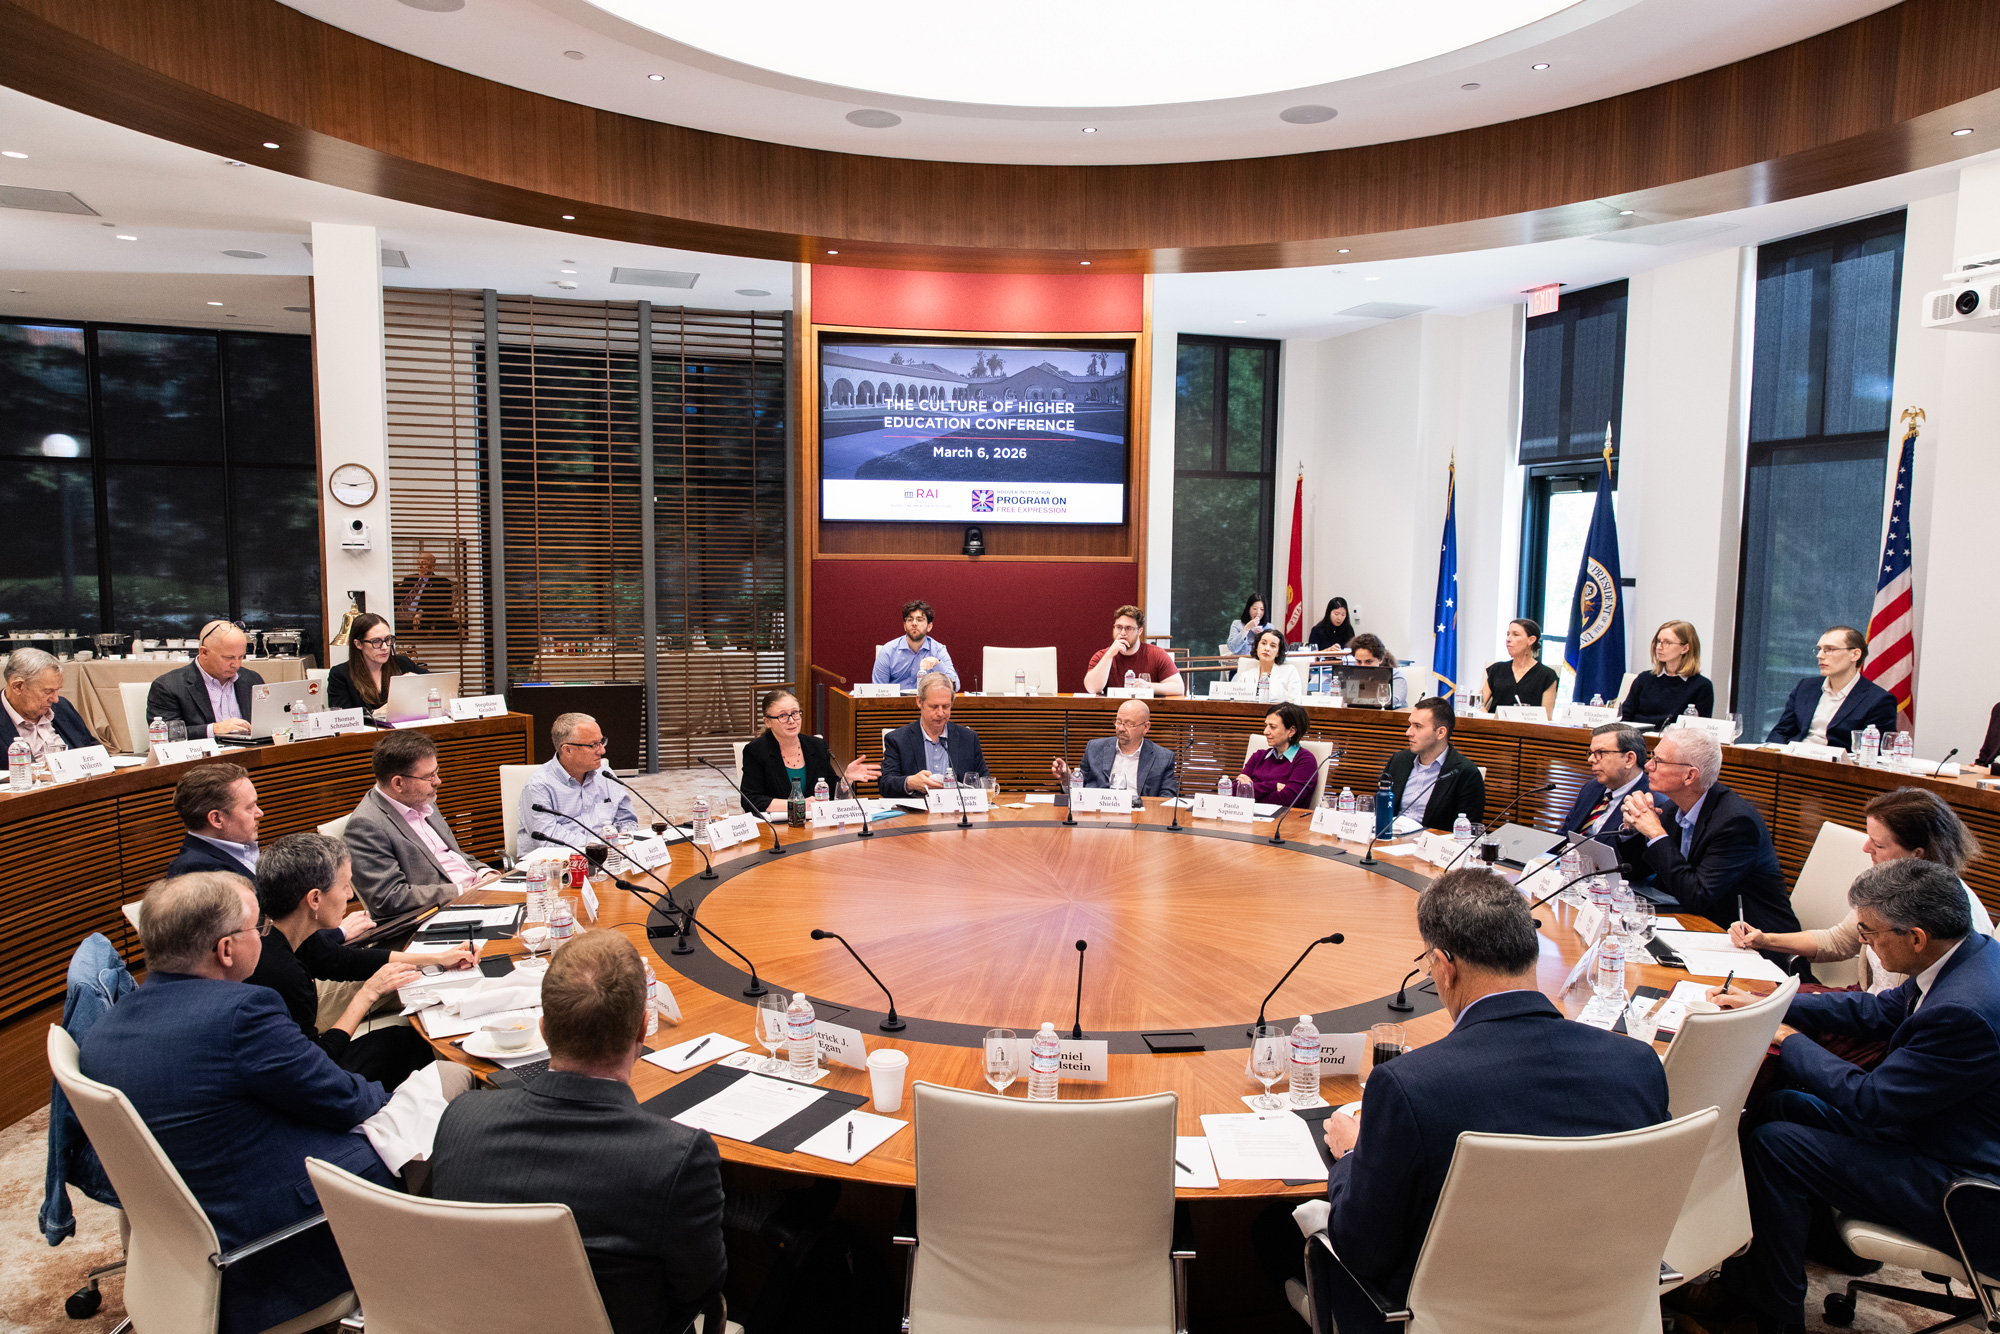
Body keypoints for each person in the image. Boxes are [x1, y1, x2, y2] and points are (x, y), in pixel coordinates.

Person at [1311, 868, 1669, 1334]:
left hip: (1437, 1319)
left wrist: (1355, 1154)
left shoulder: (1410, 1086)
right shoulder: (1637, 1065)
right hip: (1601, 1309)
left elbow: (1362, 1248)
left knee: (1274, 1237)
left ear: (1443, 965)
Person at [1676, 859, 2000, 1334]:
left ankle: (1769, 1317)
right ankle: (1797, 1260)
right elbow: (1874, 1010)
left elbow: (1871, 1100)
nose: (1863, 944)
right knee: (1783, 1104)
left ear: (1915, 937)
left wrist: (1787, 1038)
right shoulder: (1965, 956)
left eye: (1869, 934)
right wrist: (1772, 1003)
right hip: (1938, 1136)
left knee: (1777, 1145)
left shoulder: (1964, 1010)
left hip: (1968, 1189)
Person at [78, 871, 399, 1334]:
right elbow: (349, 1102)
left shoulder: (105, 1025)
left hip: (182, 1233)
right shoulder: (243, 1012)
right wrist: (392, 1097)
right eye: (258, 930)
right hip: (266, 1247)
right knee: (432, 1118)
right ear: (226, 950)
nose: (264, 939)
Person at [431, 930, 728, 1334]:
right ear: (642, 1029)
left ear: (544, 1029)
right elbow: (700, 1290)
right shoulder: (676, 1158)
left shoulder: (461, 1118)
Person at [251, 833, 468, 1088]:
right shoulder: (280, 971)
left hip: (300, 1063)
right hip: (307, 1083)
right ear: (315, 899)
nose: (350, 896)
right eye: (344, 886)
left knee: (404, 1038)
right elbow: (315, 1062)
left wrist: (437, 958)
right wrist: (368, 993)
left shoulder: (284, 926)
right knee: (408, 1045)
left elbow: (345, 961)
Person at [1730, 788, 1991, 994]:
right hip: (1871, 1003)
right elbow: (1839, 941)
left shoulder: (1954, 915)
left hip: (1889, 1023)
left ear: (1917, 855)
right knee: (1757, 1001)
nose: (1866, 848)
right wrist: (1765, 940)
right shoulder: (1889, 887)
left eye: (1877, 843)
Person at [1620, 727, 1799, 935]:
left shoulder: (1736, 823)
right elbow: (1636, 873)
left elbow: (1697, 897)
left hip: (1754, 945)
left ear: (1689, 776)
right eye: (1652, 757)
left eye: (1658, 761)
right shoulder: (1673, 808)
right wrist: (1632, 829)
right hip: (1697, 929)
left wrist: (1656, 833)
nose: (1648, 765)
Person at [344, 730, 499, 917]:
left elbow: (451, 855)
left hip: (475, 894)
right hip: (437, 915)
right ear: (398, 784)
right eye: (429, 777)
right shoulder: (366, 825)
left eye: (436, 772)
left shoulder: (422, 799)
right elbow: (387, 897)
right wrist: (461, 893)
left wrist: (484, 873)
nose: (438, 781)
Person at [518, 712, 640, 859]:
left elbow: (627, 819)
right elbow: (548, 841)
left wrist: (625, 838)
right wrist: (601, 846)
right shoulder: (538, 786)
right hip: (554, 869)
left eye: (601, 742)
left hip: (609, 860)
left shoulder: (605, 774)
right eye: (593, 745)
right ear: (567, 750)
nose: (602, 750)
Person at [740, 689, 879, 814]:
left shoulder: (816, 746)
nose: (791, 721)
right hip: (778, 828)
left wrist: (846, 779)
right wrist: (796, 805)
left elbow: (830, 792)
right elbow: (750, 800)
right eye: (783, 716)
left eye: (795, 713)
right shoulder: (756, 750)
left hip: (816, 823)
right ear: (768, 722)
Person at [1765, 625, 1899, 750]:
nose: (1820, 656)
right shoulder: (1805, 687)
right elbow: (1781, 731)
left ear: (1855, 654)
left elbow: (1872, 753)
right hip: (1794, 762)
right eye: (1819, 649)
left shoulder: (1879, 700)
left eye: (1829, 649)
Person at [143, 619, 266, 738]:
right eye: (228, 658)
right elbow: (167, 732)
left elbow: (266, 723)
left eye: (241, 657)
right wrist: (213, 729)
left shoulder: (252, 679)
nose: (236, 664)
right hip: (202, 755)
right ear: (204, 653)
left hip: (250, 753)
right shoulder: (168, 686)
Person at [1382, 698, 1486, 831]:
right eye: (1410, 725)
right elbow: (1381, 808)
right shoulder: (1398, 761)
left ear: (1441, 732)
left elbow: (1467, 833)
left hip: (1431, 846)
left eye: (1418, 726)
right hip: (1389, 841)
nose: (1408, 732)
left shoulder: (1465, 773)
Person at [880, 671, 989, 796]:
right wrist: (910, 783)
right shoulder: (897, 740)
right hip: (916, 813)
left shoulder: (968, 738)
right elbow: (885, 783)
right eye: (934, 706)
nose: (941, 713)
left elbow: (983, 781)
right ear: (919, 702)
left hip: (957, 812)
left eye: (946, 706)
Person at [1052, 698, 1180, 798]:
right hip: (1098, 815)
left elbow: (1167, 799)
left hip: (1138, 817)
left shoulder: (1163, 757)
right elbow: (1078, 792)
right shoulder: (1094, 748)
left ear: (1145, 727)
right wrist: (1067, 779)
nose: (1121, 729)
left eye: (1129, 724)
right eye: (1118, 722)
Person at [164, 762, 264, 879]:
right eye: (250, 807)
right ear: (217, 819)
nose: (260, 813)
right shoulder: (199, 874)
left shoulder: (241, 848)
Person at [1619, 619, 1716, 728]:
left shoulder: (1701, 686)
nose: (1659, 647)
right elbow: (1624, 716)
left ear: (1685, 648)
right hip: (1635, 739)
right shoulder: (1644, 679)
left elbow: (1698, 731)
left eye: (1667, 642)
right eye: (1658, 641)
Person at [0, 648, 96, 758]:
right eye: (48, 691)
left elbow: (92, 749)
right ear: (18, 686)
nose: (55, 699)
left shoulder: (62, 707)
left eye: (57, 690)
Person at [1562, 723, 1650, 842]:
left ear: (1629, 759)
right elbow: (1563, 836)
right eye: (1591, 753)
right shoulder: (1591, 788)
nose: (1590, 759)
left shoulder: (1650, 800)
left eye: (1600, 753)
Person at [326, 612, 428, 714]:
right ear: (358, 644)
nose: (385, 647)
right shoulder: (340, 675)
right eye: (376, 641)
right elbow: (341, 717)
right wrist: (374, 714)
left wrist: (418, 680)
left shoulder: (402, 663)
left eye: (388, 639)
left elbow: (436, 685)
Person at [1082, 605, 1185, 696]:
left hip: (1146, 712)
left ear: (1140, 631)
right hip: (1113, 713)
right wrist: (1109, 655)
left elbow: (1179, 688)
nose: (1122, 632)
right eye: (1118, 627)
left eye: (1128, 628)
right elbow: (1092, 688)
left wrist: (1148, 686)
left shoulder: (1157, 654)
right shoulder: (1102, 656)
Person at [1237, 702, 1320, 809]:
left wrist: (1250, 790)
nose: (1265, 732)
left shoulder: (1305, 760)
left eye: (1272, 727)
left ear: (1291, 731)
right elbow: (1235, 790)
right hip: (1251, 817)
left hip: (1287, 822)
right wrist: (1273, 786)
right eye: (1266, 726)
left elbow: (1288, 800)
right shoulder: (1258, 756)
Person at [870, 599, 959, 691]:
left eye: (920, 620)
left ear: (929, 626)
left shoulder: (938, 650)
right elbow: (878, 690)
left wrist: (937, 664)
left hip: (927, 703)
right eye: (910, 619)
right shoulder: (888, 650)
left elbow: (956, 687)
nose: (914, 623)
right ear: (905, 626)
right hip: (895, 704)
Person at [1480, 618, 1559, 716]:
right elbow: (1478, 704)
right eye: (1508, 634)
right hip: (1494, 727)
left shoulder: (1547, 675)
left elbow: (1546, 716)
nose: (1508, 639)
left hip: (1528, 728)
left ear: (1531, 640)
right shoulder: (1495, 669)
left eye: (1515, 634)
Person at [1230, 628, 1306, 701]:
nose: (1267, 648)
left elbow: (1295, 700)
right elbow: (1237, 702)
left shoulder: (1289, 672)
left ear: (1278, 653)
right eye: (1263, 643)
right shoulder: (1245, 676)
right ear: (1257, 647)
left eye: (1273, 646)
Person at [394, 550, 458, 633]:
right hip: (399, 614)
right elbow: (398, 597)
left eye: (424, 563)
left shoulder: (442, 583)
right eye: (418, 563)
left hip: (417, 617)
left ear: (433, 566)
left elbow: (442, 605)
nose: (420, 566)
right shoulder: (409, 578)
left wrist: (421, 612)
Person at [1347, 634, 1411, 710]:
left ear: (1380, 659)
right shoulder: (1351, 675)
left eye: (1368, 662)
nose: (1362, 666)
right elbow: (1333, 696)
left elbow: (1395, 700)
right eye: (1359, 662)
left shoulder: (1395, 675)